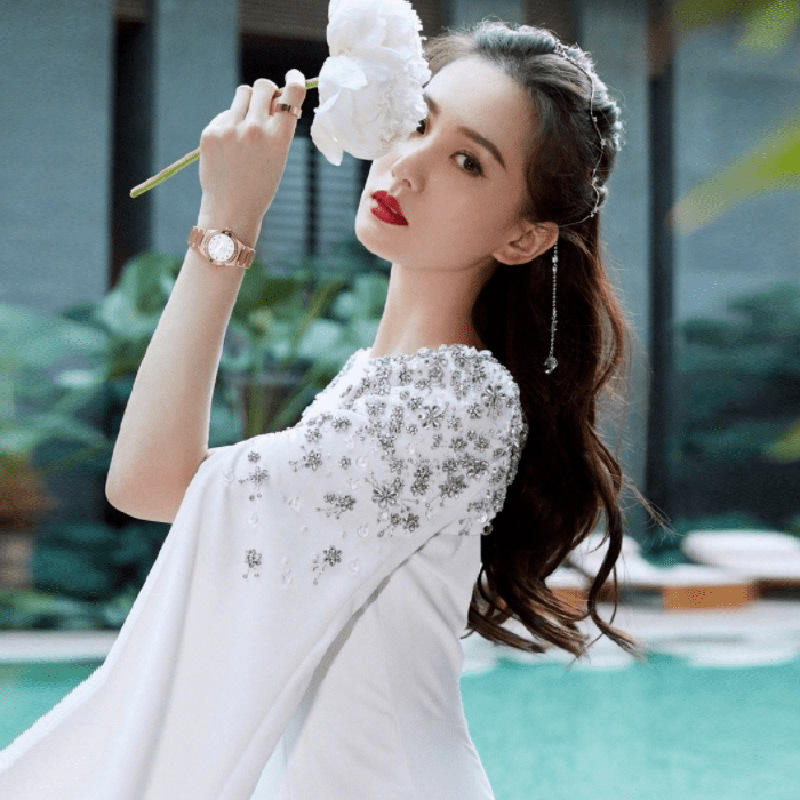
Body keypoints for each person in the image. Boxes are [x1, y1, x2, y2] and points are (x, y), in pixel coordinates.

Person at [0, 19, 671, 800]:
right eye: (418, 122)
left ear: (524, 238)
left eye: (467, 161)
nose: (409, 167)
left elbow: (150, 482)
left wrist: (228, 223)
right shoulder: (384, 381)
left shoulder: (448, 403)